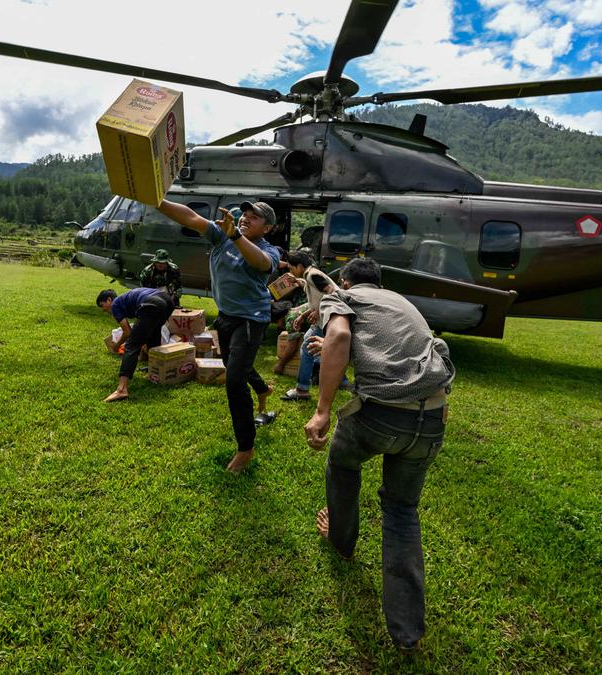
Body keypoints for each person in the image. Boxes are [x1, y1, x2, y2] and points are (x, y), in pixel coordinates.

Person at [303, 257, 455, 651]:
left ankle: (340, 539)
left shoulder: (344, 298)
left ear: (346, 282)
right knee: (402, 511)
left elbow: (339, 337)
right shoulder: (400, 303)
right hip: (432, 417)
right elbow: (387, 349)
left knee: (343, 464)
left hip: (381, 416)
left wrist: (321, 410)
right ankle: (407, 633)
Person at [156, 199, 279, 473]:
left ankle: (246, 448)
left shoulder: (269, 249)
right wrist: (157, 202)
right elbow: (190, 217)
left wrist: (235, 234)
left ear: (267, 228)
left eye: (254, 217)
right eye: (244, 214)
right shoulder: (221, 235)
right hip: (225, 317)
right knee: (236, 367)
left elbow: (260, 263)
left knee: (234, 381)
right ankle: (262, 389)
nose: (246, 218)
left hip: (251, 320)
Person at [280, 250, 341, 401]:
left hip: (329, 318)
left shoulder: (313, 275)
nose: (291, 271)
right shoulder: (309, 276)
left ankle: (302, 390)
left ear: (300, 266)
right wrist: (303, 315)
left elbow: (333, 292)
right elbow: (316, 298)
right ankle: (343, 380)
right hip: (325, 319)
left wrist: (319, 310)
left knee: (307, 350)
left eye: (291, 268)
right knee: (313, 347)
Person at [96, 286, 174, 402]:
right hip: (167, 302)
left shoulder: (115, 304)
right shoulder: (124, 300)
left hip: (151, 303)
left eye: (103, 306)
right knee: (153, 340)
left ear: (109, 300)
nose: (105, 310)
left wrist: (116, 346)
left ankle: (122, 389)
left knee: (131, 345)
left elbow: (127, 332)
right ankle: (157, 371)